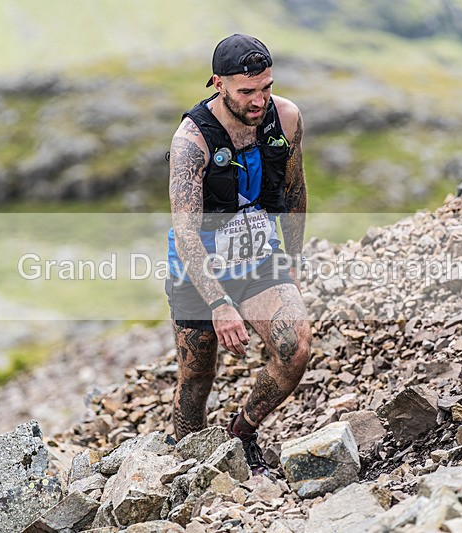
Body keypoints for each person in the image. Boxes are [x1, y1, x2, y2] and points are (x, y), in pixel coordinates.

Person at [165, 34, 310, 476]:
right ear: (218, 84)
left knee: (296, 347)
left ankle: (240, 435)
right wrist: (219, 304)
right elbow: (186, 234)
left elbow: (295, 191)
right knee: (196, 380)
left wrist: (293, 260)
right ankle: (186, 469)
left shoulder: (285, 118)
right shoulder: (191, 140)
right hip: (198, 271)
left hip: (258, 259)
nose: (259, 99)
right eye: (247, 91)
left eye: (265, 87)